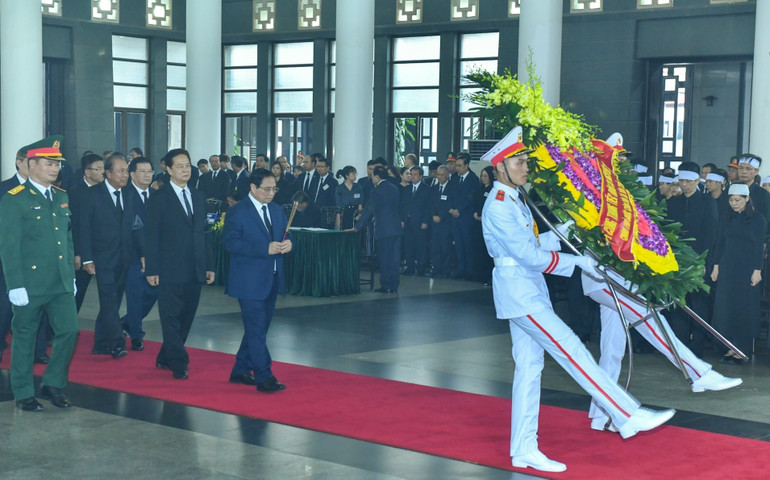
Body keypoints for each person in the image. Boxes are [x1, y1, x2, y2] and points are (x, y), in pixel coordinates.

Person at [480, 127, 674, 473]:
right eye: (519, 162)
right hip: (520, 293)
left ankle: (524, 448)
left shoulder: (513, 199)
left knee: (530, 369)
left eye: (525, 161)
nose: (526, 168)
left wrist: (567, 229)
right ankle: (626, 413)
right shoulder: (498, 206)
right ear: (500, 167)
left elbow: (534, 245)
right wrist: (577, 263)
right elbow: (529, 256)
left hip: (526, 289)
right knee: (572, 349)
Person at [581, 268, 742, 431]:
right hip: (605, 280)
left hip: (612, 281)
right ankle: (698, 373)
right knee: (650, 319)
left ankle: (602, 416)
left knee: (612, 350)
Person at [0, 135, 79, 411]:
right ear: (30, 164)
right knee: (25, 336)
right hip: (30, 283)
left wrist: (70, 275)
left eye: (57, 164)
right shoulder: (15, 199)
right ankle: (23, 392)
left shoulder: (61, 196)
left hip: (60, 281)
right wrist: (15, 285)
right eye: (49, 163)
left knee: (69, 331)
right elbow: (9, 247)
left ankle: (53, 384)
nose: (55, 169)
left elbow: (66, 239)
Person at [144, 148, 215, 380]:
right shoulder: (159, 198)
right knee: (171, 316)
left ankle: (166, 356)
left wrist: (209, 265)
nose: (185, 170)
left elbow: (204, 234)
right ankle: (178, 361)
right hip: (169, 268)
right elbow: (151, 236)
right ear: (168, 169)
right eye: (180, 166)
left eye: (187, 165)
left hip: (195, 267)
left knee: (187, 316)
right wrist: (152, 268)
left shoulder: (198, 196)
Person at [224, 168, 292, 392]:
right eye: (267, 189)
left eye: (274, 189)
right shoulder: (238, 211)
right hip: (248, 280)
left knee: (259, 328)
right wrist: (265, 248)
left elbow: (286, 234)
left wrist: (289, 243)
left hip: (272, 277)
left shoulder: (277, 210)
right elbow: (231, 243)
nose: (271, 193)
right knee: (256, 329)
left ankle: (240, 369)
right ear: (253, 188)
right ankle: (264, 376)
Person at [79, 153, 136, 359]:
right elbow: (83, 228)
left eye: (126, 171)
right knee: (109, 299)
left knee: (112, 301)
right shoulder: (92, 194)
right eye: (120, 171)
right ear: (108, 173)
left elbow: (134, 227)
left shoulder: (129, 194)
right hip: (101, 258)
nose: (125, 175)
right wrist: (86, 258)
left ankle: (101, 343)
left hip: (124, 257)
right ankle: (116, 343)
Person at [0, 149, 52, 365]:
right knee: (5, 308)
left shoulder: (47, 190)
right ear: (19, 163)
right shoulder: (4, 189)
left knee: (39, 306)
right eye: (31, 162)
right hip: (10, 261)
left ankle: (38, 350)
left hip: (40, 261)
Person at [711, 183, 766, 365]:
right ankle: (729, 346)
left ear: (747, 199)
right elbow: (719, 242)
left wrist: (757, 270)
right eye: (731, 200)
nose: (734, 203)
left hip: (747, 268)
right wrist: (716, 266)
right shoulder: (726, 217)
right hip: (728, 266)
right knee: (726, 307)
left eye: (737, 200)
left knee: (744, 308)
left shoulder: (757, 219)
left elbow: (758, 246)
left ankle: (742, 349)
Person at [666, 162, 717, 357]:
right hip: (677, 259)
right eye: (682, 181)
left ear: (697, 181)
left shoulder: (707, 202)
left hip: (698, 260)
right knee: (679, 303)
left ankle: (698, 348)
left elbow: (711, 234)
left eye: (688, 181)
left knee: (699, 304)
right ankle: (680, 345)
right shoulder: (674, 202)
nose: (684, 184)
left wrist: (704, 262)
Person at [120, 156, 157, 351]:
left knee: (153, 292)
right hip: (131, 255)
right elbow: (131, 228)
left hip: (154, 255)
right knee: (135, 295)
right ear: (132, 174)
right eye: (143, 171)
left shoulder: (157, 195)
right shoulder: (124, 195)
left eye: (150, 171)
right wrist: (142, 253)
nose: (147, 175)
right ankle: (136, 335)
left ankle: (126, 323)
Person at [352, 166, 402, 293]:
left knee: (384, 258)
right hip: (395, 228)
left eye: (373, 176)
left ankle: (386, 285)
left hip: (384, 229)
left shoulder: (377, 190)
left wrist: (357, 227)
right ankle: (394, 285)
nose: (372, 178)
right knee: (394, 258)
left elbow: (369, 209)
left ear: (377, 177)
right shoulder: (394, 188)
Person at [71, 152, 105, 312]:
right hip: (83, 252)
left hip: (102, 250)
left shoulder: (105, 191)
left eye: (103, 168)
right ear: (87, 172)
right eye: (98, 169)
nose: (102, 172)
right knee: (78, 291)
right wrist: (78, 253)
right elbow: (75, 226)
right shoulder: (76, 193)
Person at [448, 152, 479, 279]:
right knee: (458, 245)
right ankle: (460, 269)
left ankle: (469, 271)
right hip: (455, 217)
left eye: (460, 165)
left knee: (468, 245)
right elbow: (450, 195)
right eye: (456, 165)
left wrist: (459, 209)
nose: (457, 168)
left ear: (467, 165)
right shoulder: (454, 178)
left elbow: (471, 198)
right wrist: (451, 209)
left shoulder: (473, 179)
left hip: (466, 217)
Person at [400, 166, 431, 276]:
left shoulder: (426, 189)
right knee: (408, 245)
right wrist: (402, 220)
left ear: (421, 176)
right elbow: (402, 205)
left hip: (420, 222)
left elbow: (428, 207)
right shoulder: (407, 189)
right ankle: (410, 267)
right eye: (411, 174)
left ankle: (421, 268)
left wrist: (425, 221)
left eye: (415, 175)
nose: (412, 177)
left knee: (420, 246)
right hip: (408, 221)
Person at [428, 165, 453, 278]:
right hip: (434, 222)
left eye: (442, 175)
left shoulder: (452, 188)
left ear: (447, 175)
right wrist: (433, 215)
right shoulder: (433, 189)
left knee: (446, 247)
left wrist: (441, 217)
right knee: (435, 247)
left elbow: (450, 204)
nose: (439, 177)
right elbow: (430, 204)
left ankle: (445, 270)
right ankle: (436, 268)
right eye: (438, 175)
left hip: (446, 222)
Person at [473, 165, 495, 283]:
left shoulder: (493, 190)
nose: (483, 178)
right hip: (478, 223)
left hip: (487, 223)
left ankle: (489, 276)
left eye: (486, 176)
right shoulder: (479, 189)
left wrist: (484, 217)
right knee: (478, 249)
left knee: (487, 251)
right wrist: (475, 213)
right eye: (482, 176)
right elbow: (475, 202)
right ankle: (479, 275)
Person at [736, 153, 770, 227]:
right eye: (741, 168)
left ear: (756, 171)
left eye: (748, 168)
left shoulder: (763, 194)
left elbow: (765, 221)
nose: (744, 171)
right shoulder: (731, 190)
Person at [335, 165, 363, 230]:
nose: (355, 175)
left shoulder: (358, 187)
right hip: (345, 213)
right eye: (353, 173)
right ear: (347, 176)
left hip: (355, 212)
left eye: (355, 173)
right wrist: (338, 220)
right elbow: (338, 205)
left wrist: (359, 214)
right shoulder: (339, 188)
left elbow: (360, 202)